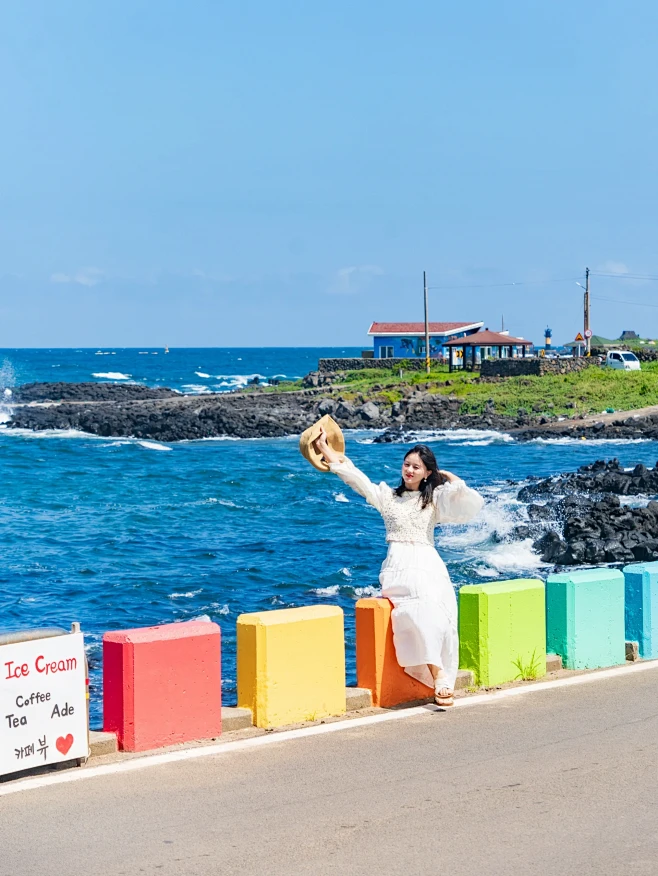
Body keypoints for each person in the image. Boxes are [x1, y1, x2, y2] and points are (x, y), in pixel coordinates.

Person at [313, 427, 483, 707]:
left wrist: (446, 476)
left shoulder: (434, 499)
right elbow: (356, 478)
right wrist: (326, 450)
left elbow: (462, 497)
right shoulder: (388, 496)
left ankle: (440, 676)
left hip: (428, 566)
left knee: (433, 614)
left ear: (427, 472)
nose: (409, 470)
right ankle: (437, 674)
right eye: (406, 464)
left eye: (416, 467)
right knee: (413, 615)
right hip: (398, 567)